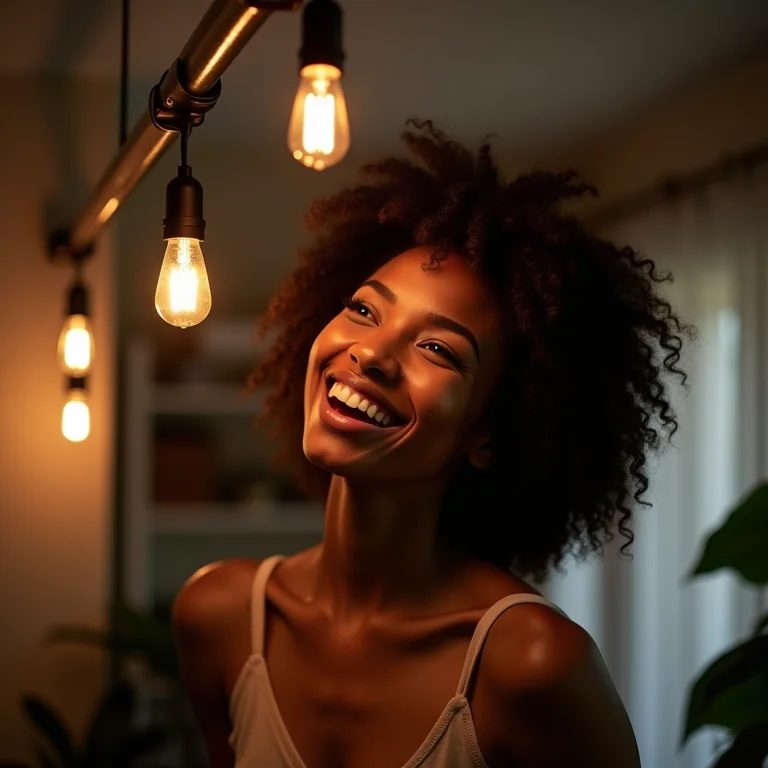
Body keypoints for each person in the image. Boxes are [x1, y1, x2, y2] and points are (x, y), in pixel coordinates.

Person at [172, 120, 690, 767]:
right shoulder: (217, 615)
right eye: (365, 310)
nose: (371, 354)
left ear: (488, 432)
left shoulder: (533, 665)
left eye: (438, 349)